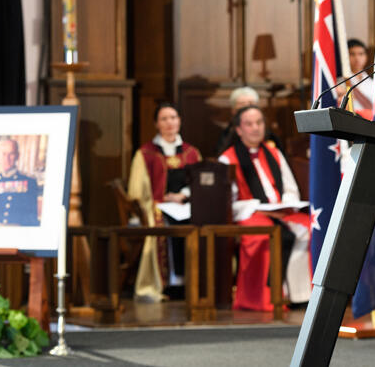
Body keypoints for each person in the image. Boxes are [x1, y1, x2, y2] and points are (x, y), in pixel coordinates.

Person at [218, 105, 311, 311]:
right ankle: (264, 299)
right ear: (239, 129)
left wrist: (284, 203)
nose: (255, 128)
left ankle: (300, 295)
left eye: (259, 123)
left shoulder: (274, 152)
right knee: (262, 236)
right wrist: (260, 208)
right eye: (249, 124)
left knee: (311, 228)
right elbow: (227, 204)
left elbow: (290, 188)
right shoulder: (227, 159)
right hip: (250, 213)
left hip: (281, 211)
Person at [128, 102, 202, 301]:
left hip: (186, 205)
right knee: (161, 223)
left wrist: (183, 195)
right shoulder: (146, 154)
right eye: (164, 119)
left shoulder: (191, 152)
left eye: (173, 118)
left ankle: (195, 282)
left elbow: (199, 181)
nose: (169, 123)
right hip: (158, 206)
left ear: (179, 121)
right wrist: (158, 201)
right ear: (156, 124)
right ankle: (167, 283)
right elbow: (137, 190)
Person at [0, 138, 40, 227]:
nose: (7, 158)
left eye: (11, 154)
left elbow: (31, 218)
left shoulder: (29, 181)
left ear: (17, 156)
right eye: (3, 154)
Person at [215, 86, 283, 155]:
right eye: (242, 105)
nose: (247, 108)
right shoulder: (225, 136)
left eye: (251, 104)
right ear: (233, 110)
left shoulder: (269, 136)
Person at [336, 39, 374, 119]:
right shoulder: (339, 82)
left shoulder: (373, 83)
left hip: (370, 123)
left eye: (361, 54)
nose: (357, 58)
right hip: (348, 122)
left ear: (366, 56)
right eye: (352, 54)